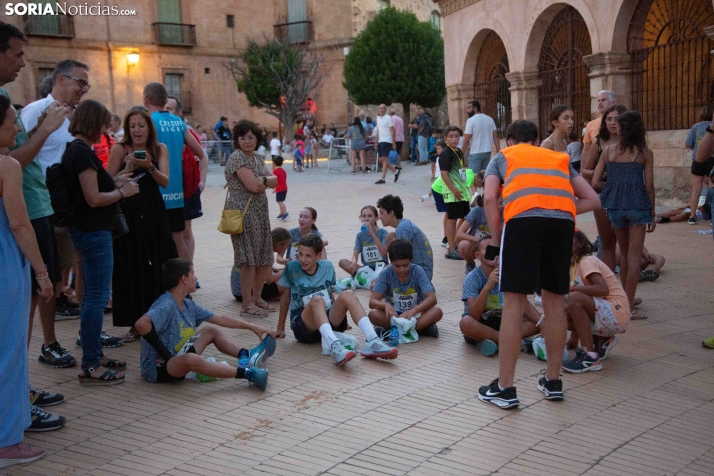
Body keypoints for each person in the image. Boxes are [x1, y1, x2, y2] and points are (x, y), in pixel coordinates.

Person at [478, 119, 600, 409]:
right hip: (561, 226)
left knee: (514, 303)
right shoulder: (559, 157)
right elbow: (593, 199)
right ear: (536, 141)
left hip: (522, 222)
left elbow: (489, 198)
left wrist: (497, 239)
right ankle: (553, 380)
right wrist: (560, 209)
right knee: (555, 301)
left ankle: (505, 388)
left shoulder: (503, 157)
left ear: (509, 141)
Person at [0, 21, 72, 431]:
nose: (22, 63)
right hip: (18, 217)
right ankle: (14, 407)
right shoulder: (21, 111)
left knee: (18, 316)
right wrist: (43, 129)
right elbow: (15, 161)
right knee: (14, 320)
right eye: (16, 54)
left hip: (34, 208)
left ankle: (19, 393)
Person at [63, 99, 140, 385]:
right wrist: (123, 193)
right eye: (105, 123)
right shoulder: (82, 153)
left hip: (90, 231)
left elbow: (95, 187)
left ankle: (94, 353)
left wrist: (118, 179)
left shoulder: (78, 150)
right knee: (96, 299)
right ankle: (91, 364)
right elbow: (93, 198)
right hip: (93, 233)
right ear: (94, 122)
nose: (107, 128)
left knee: (94, 298)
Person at [0, 95, 54, 468]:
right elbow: (20, 224)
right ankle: (7, 441)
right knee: (10, 353)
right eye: (11, 122)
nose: (18, 128)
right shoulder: (7, 166)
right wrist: (42, 271)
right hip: (4, 264)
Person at [135, 259, 274, 389]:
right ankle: (248, 373)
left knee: (210, 331)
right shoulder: (167, 304)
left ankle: (248, 356)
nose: (195, 278)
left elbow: (221, 319)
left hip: (178, 355)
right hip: (159, 367)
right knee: (192, 359)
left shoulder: (188, 304)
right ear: (184, 279)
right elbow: (141, 324)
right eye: (192, 274)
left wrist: (253, 327)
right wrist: (165, 355)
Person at [107, 106, 177, 344]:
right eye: (132, 126)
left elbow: (165, 181)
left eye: (141, 125)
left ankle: (162, 317)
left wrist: (148, 166)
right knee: (130, 262)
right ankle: (135, 322)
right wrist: (127, 168)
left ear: (149, 127)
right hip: (128, 210)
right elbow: (108, 183)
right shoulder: (119, 148)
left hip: (154, 210)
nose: (137, 130)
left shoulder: (159, 149)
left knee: (160, 259)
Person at [276, 233, 398, 365]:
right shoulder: (292, 268)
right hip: (304, 327)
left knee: (348, 294)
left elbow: (328, 292)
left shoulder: (327, 266)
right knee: (317, 300)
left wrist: (339, 316)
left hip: (327, 321)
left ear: (318, 256)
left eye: (308, 256)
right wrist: (280, 327)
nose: (303, 259)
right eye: (300, 254)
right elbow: (285, 297)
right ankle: (334, 346)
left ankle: (373, 341)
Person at [592, 111, 655, 321]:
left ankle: (622, 301)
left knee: (624, 253)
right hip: (637, 206)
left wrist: (614, 186)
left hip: (615, 207)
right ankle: (629, 303)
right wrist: (652, 213)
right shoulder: (644, 152)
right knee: (634, 256)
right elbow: (649, 187)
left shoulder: (608, 152)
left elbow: (595, 182)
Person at [143, 83, 207, 260]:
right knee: (178, 238)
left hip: (155, 192)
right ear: (164, 101)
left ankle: (163, 281)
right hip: (176, 194)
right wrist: (202, 181)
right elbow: (201, 154)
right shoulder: (178, 122)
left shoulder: (148, 122)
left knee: (155, 239)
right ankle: (187, 278)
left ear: (146, 100)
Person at [225, 120, 278, 318]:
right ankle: (246, 303)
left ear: (256, 138)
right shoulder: (237, 158)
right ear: (236, 140)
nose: (247, 141)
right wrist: (265, 181)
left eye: (250, 137)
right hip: (243, 215)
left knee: (264, 256)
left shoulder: (256, 157)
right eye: (242, 138)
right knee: (248, 259)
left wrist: (263, 180)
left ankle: (257, 297)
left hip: (260, 213)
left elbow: (274, 180)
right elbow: (253, 187)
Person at [460, 235, 540, 356]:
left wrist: (545, 325)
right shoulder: (472, 278)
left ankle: (494, 342)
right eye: (488, 248)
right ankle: (507, 341)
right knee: (465, 322)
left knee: (538, 321)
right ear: (477, 256)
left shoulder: (509, 274)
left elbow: (524, 305)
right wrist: (487, 287)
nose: (494, 252)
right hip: (482, 324)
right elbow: (473, 315)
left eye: (497, 249)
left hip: (505, 323)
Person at [563, 230, 630, 372]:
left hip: (617, 311)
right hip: (604, 312)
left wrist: (574, 289)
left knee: (574, 299)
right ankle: (601, 339)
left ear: (579, 243)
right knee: (563, 310)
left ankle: (590, 357)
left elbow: (602, 289)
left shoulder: (587, 261)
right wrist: (573, 340)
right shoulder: (572, 267)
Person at [581, 104, 627, 272]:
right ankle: (609, 288)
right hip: (603, 194)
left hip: (626, 195)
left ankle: (625, 291)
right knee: (607, 243)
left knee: (625, 245)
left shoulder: (631, 143)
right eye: (609, 119)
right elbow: (585, 171)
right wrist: (602, 173)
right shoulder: (599, 142)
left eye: (617, 119)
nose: (613, 123)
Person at [165, 97, 207, 275]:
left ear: (179, 113)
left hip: (186, 186)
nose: (166, 112)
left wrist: (201, 182)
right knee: (175, 232)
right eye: (164, 108)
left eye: (170, 109)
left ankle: (189, 272)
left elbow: (202, 156)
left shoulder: (185, 131)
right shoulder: (161, 129)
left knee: (185, 230)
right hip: (169, 185)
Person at [368, 239, 442, 337]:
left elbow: (432, 298)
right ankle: (418, 329)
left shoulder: (417, 271)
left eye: (405, 265)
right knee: (373, 315)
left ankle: (395, 329)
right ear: (391, 262)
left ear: (411, 260)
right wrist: (385, 305)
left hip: (415, 315)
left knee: (437, 312)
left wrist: (414, 310)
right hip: (394, 315)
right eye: (397, 266)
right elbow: (372, 302)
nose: (402, 270)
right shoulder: (386, 273)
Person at [377, 194, 434, 281]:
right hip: (420, 272)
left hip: (421, 275)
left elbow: (400, 260)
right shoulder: (403, 226)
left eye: (381, 213)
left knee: (376, 285)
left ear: (391, 213)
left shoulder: (403, 228)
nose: (379, 217)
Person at [232, 227, 291, 304]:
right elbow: (269, 279)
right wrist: (285, 271)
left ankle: (270, 295)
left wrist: (277, 271)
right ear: (279, 245)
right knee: (286, 280)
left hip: (237, 290)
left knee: (279, 276)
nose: (288, 247)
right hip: (243, 293)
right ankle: (263, 297)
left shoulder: (261, 246)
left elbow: (262, 270)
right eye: (287, 245)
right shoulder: (266, 253)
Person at [439, 125, 470, 260]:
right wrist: (454, 190)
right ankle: (451, 248)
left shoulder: (458, 151)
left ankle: (457, 242)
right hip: (453, 192)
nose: (454, 139)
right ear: (446, 138)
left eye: (457, 136)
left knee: (465, 217)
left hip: (461, 190)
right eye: (451, 137)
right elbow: (444, 174)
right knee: (452, 218)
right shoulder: (446, 153)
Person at [456, 194, 503, 274]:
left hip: (495, 245)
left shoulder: (505, 213)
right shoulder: (477, 212)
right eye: (500, 203)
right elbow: (460, 234)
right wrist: (480, 241)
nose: (502, 206)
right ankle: (470, 264)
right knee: (463, 245)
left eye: (503, 202)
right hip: (476, 244)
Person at [339, 205, 388, 276]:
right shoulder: (360, 235)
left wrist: (373, 234)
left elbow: (383, 253)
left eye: (370, 216)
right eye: (364, 216)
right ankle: (366, 276)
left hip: (382, 267)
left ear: (376, 218)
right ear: (361, 218)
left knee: (390, 268)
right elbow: (355, 253)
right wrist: (354, 262)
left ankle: (367, 278)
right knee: (342, 262)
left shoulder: (383, 233)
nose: (366, 219)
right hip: (367, 268)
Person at [685, 105, 714, 224]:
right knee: (712, 187)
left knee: (696, 189)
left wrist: (697, 149)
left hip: (698, 160)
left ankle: (692, 216)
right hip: (712, 159)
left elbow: (688, 144)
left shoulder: (695, 127)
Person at [462, 100, 499, 174]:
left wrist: (461, 153)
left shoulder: (470, 120)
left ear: (475, 108)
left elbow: (467, 139)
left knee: (473, 177)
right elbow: (495, 136)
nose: (467, 110)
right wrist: (498, 151)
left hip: (475, 152)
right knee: (483, 176)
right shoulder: (490, 119)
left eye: (469, 108)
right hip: (487, 152)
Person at [582, 90, 617, 165]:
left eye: (603, 100)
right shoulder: (591, 124)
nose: (600, 103)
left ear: (614, 102)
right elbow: (586, 150)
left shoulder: (624, 122)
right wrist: (582, 172)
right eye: (598, 101)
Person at [374, 104, 400, 184]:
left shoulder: (388, 118)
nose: (381, 110)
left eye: (383, 108)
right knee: (381, 159)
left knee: (385, 159)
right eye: (380, 108)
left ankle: (383, 178)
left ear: (385, 109)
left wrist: (394, 142)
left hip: (387, 140)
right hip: (381, 140)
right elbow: (378, 130)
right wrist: (376, 141)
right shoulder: (378, 118)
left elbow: (392, 131)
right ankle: (395, 171)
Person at [272, 155, 289, 220]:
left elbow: (274, 180)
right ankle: (281, 213)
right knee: (281, 201)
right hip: (284, 188)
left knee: (280, 202)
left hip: (280, 188)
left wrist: (274, 187)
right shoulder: (283, 170)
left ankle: (285, 214)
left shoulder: (275, 171)